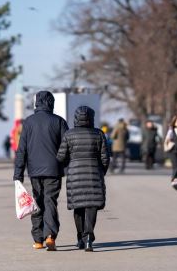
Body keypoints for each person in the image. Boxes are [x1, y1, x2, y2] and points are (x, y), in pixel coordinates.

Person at [13, 91, 68, 251]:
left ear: (37, 102)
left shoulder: (29, 122)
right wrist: (66, 165)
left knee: (37, 202)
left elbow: (21, 149)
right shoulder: (59, 121)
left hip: (34, 171)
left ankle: (38, 240)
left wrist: (18, 173)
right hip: (54, 169)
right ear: (51, 102)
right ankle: (50, 236)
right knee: (50, 201)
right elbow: (67, 146)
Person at [57, 106, 110, 252]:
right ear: (91, 118)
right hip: (94, 174)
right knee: (92, 206)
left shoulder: (69, 134)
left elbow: (61, 157)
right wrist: (101, 172)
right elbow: (105, 158)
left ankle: (80, 238)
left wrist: (69, 167)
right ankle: (88, 239)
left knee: (78, 207)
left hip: (75, 175)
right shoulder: (98, 134)